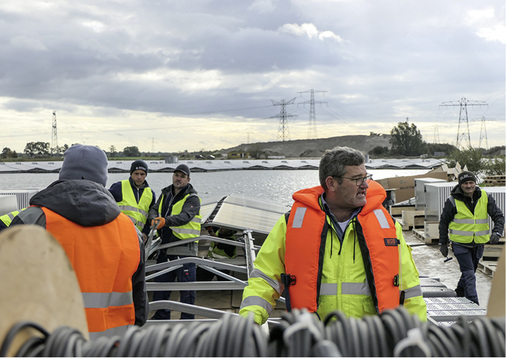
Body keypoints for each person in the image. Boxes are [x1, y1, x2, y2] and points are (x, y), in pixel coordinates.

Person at [239, 146, 427, 325]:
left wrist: (418, 336)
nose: (365, 186)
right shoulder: (291, 225)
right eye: (357, 179)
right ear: (331, 183)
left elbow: (409, 288)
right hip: (311, 341)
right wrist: (249, 321)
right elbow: (264, 279)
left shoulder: (388, 226)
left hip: (371, 343)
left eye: (366, 177)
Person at [11, 144, 148, 339]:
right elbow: (140, 309)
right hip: (110, 348)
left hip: (48, 347)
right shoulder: (131, 232)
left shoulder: (33, 221)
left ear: (63, 173)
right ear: (103, 178)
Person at [439, 171, 504, 305]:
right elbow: (444, 222)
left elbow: (498, 216)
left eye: (471, 182)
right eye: (465, 183)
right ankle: (474, 305)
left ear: (475, 183)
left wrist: (497, 232)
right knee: (469, 275)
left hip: (479, 244)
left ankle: (459, 293)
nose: (469, 186)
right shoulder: (452, 201)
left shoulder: (485, 197)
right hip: (460, 244)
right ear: (460, 185)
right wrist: (443, 243)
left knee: (468, 273)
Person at [149, 163, 202, 320]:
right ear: (173, 176)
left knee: (186, 290)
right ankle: (161, 317)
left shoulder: (192, 197)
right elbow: (154, 209)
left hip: (183, 250)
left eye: (182, 176)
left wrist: (165, 221)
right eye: (176, 175)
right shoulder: (165, 193)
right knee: (161, 287)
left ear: (188, 179)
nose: (178, 179)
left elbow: (186, 216)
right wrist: (154, 219)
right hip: (165, 248)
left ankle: (186, 321)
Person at [109, 160, 156, 239]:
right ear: (131, 174)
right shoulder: (119, 187)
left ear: (146, 175)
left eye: (142, 174)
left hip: (139, 237)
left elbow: (150, 216)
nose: (139, 177)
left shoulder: (151, 194)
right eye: (136, 173)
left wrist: (145, 232)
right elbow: (106, 207)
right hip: (118, 234)